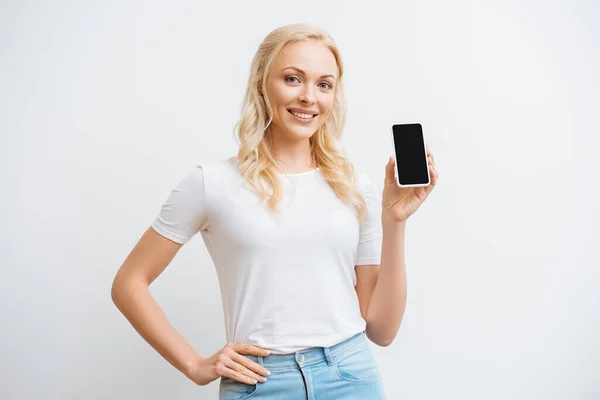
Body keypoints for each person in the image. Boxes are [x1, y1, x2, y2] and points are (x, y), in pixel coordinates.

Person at [111, 23, 438, 400]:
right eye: (292, 79)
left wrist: (393, 221)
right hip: (260, 382)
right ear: (262, 83)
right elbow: (129, 282)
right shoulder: (211, 183)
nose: (309, 97)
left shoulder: (353, 186)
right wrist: (195, 366)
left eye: (324, 84)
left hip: (350, 376)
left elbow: (381, 330)